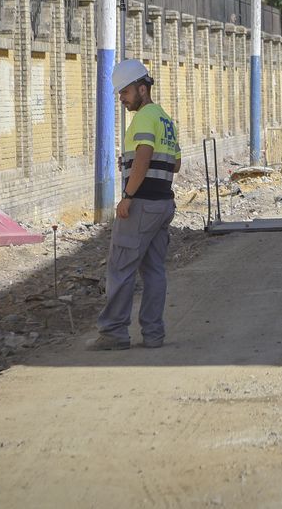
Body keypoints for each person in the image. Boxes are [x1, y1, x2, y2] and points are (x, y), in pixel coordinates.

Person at [89, 59, 180, 351]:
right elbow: (175, 164)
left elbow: (144, 155)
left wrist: (128, 195)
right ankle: (153, 334)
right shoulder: (164, 119)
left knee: (120, 267)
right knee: (154, 271)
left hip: (142, 204)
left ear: (142, 88)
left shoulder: (143, 118)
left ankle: (114, 333)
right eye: (120, 93)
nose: (122, 99)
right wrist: (132, 164)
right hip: (163, 204)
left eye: (125, 92)